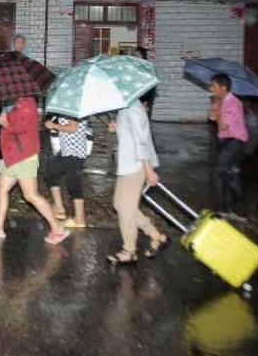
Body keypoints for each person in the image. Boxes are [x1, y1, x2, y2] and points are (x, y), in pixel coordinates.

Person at [0, 96, 68, 244]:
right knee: (1, 188)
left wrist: (4, 121)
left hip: (23, 155)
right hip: (13, 154)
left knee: (30, 195)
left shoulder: (27, 104)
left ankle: (57, 228)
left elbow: (20, 128)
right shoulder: (16, 103)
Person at [106, 98, 168, 265]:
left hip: (136, 165)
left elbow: (142, 141)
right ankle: (156, 236)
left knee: (125, 208)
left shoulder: (133, 107)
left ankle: (129, 250)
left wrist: (148, 169)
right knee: (120, 204)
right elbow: (131, 134)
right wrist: (117, 129)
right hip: (128, 164)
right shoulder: (126, 106)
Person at [208, 73, 250, 218]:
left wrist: (217, 110)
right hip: (226, 141)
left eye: (213, 85)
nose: (211, 88)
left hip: (235, 142)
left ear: (223, 87)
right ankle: (239, 211)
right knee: (232, 175)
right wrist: (214, 108)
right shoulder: (223, 100)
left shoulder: (233, 103)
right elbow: (212, 118)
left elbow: (223, 125)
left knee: (218, 173)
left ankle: (222, 210)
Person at [43, 115, 92, 229]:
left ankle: (79, 219)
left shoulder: (73, 108)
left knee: (74, 184)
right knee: (51, 174)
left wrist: (53, 125)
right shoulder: (67, 108)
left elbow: (73, 128)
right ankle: (59, 208)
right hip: (65, 151)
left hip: (74, 152)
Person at [135, 46, 157, 117]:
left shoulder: (147, 68)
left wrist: (147, 102)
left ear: (143, 55)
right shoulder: (136, 68)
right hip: (137, 100)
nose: (136, 57)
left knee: (145, 121)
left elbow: (151, 87)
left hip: (145, 101)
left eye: (138, 55)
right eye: (135, 55)